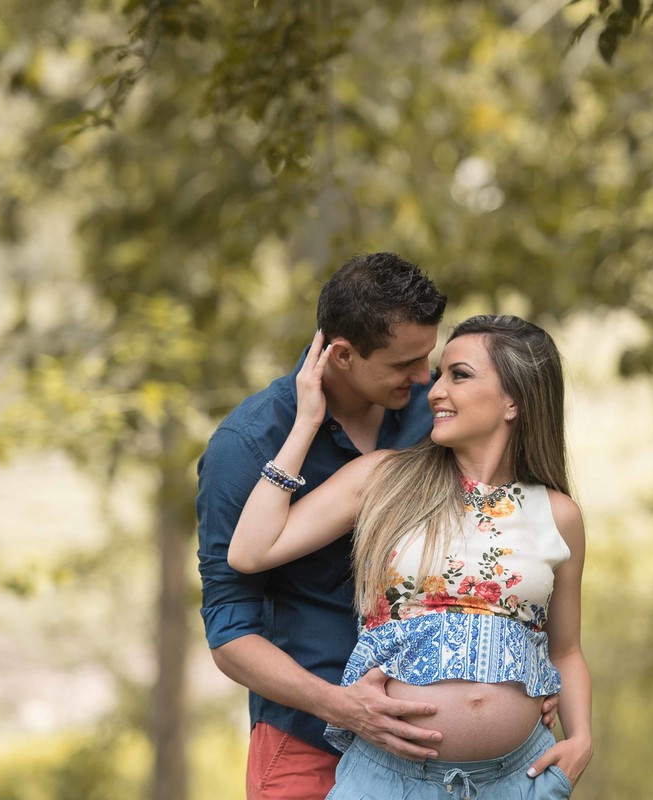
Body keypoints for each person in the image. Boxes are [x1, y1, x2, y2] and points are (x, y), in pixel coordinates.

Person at [229, 315, 593, 799]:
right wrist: (305, 423)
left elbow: (564, 649)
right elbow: (251, 552)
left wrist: (583, 737)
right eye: (438, 374)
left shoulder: (558, 513)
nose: (435, 391)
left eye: (458, 375)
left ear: (514, 400)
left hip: (517, 780)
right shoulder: (384, 479)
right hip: (388, 779)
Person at [196, 253, 452, 800]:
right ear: (341, 355)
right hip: (308, 742)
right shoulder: (245, 446)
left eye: (427, 356)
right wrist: (344, 707)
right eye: (404, 363)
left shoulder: (437, 415)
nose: (424, 375)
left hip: (437, 752)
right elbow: (229, 630)